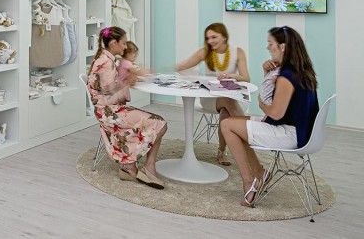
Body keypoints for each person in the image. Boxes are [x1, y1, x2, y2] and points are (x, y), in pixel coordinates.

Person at [220, 26, 319, 206]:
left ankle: (249, 183)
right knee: (233, 124)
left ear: (282, 47)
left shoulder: (286, 77)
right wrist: (267, 73)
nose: (268, 47)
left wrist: (261, 103)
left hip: (289, 134)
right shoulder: (300, 70)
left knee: (227, 125)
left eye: (270, 43)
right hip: (299, 131)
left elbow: (275, 112)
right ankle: (260, 172)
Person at [88, 26, 168, 189]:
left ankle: (130, 167)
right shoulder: (106, 63)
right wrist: (128, 82)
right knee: (160, 123)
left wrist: (127, 81)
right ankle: (146, 168)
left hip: (107, 110)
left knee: (157, 122)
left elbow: (108, 89)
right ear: (114, 43)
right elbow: (112, 94)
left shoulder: (104, 59)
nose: (126, 47)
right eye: (123, 43)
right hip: (110, 113)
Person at [176, 22, 249, 166]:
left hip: (233, 96)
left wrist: (232, 76)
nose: (210, 41)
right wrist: (196, 76)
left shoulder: (238, 52)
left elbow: (246, 79)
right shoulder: (205, 52)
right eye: (208, 38)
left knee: (226, 109)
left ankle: (222, 151)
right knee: (228, 102)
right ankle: (248, 140)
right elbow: (180, 67)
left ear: (224, 37)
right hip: (210, 98)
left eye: (214, 37)